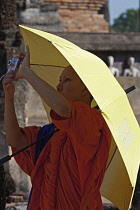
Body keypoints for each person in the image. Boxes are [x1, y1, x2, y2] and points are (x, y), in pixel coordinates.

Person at [3, 46, 111, 210]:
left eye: (67, 80)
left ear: (86, 89)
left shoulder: (93, 121)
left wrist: (28, 74)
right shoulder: (51, 132)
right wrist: (9, 96)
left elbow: (63, 109)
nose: (59, 86)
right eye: (60, 80)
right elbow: (14, 139)